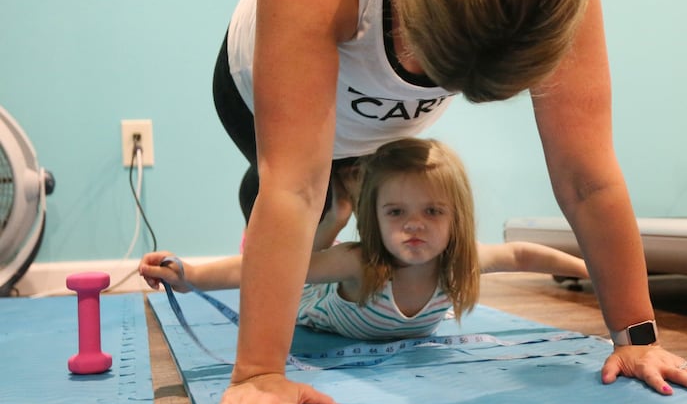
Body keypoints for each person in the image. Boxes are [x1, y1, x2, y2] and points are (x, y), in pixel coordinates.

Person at [207, 0, 687, 404]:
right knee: (312, 197)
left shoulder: (561, 6)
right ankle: (292, 189)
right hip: (251, 93)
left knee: (352, 189)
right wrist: (257, 373)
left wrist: (637, 339)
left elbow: (587, 181)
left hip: (385, 122)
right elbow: (293, 187)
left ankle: (340, 186)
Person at [140, 138, 590, 341]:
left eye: (432, 212)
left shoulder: (459, 262)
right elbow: (262, 270)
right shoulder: (360, 262)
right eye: (397, 213)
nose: (415, 226)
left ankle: (338, 206)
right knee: (301, 259)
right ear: (377, 219)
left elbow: (521, 253)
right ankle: (336, 211)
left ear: (457, 218)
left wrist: (593, 274)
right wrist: (188, 274)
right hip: (307, 295)